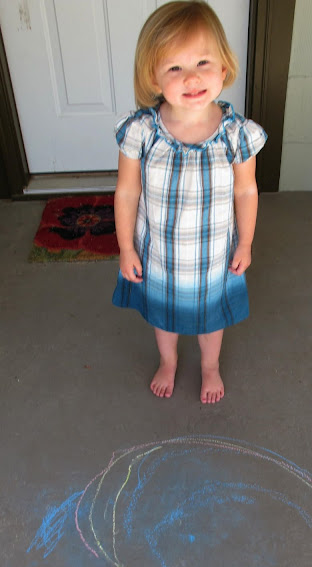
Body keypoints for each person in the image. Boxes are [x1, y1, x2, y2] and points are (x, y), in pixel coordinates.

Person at [112, 0, 267, 403]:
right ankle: (168, 360)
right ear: (153, 76)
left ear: (224, 67)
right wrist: (126, 247)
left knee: (211, 317)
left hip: (214, 255)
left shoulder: (236, 134)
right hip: (160, 253)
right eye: (175, 68)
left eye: (202, 62)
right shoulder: (142, 131)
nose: (192, 77)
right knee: (164, 315)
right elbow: (127, 191)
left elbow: (246, 190)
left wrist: (246, 242)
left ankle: (210, 366)